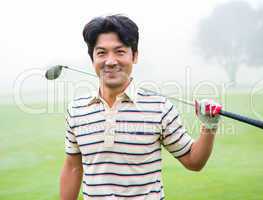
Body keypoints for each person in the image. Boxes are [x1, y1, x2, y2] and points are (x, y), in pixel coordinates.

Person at [60, 14, 222, 200]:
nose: (110, 61)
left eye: (120, 52)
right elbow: (73, 166)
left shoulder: (160, 107)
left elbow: (194, 161)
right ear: (92, 59)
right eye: (101, 53)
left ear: (134, 56)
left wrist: (209, 126)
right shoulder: (76, 110)